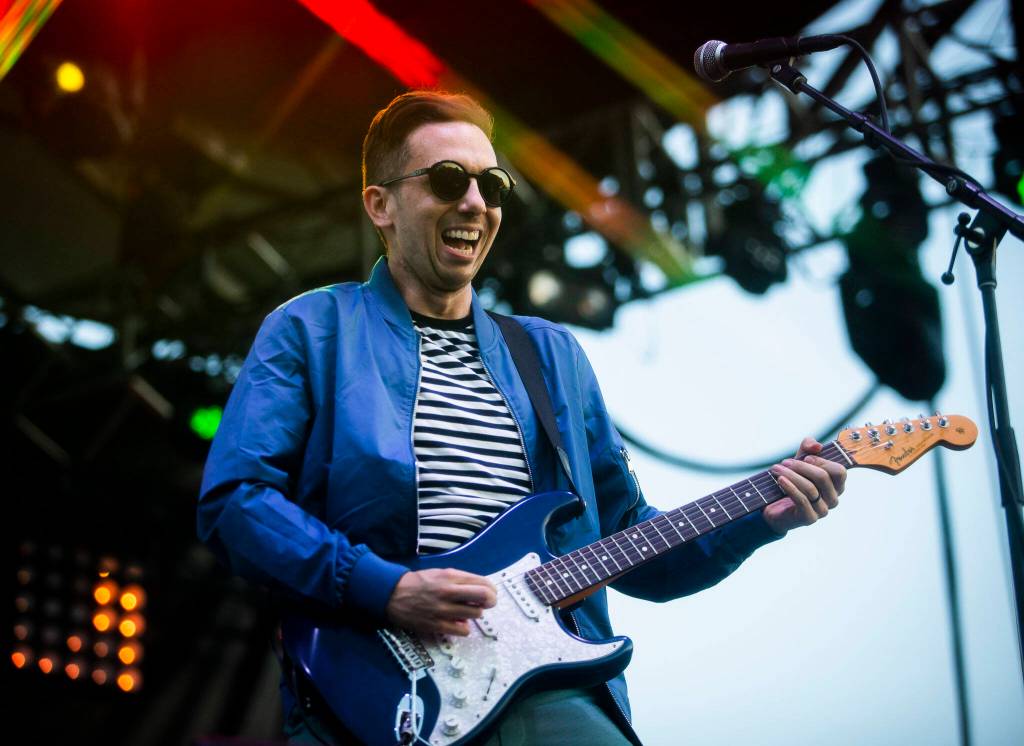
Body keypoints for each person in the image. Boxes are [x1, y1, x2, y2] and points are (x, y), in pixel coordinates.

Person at [197, 90, 846, 745]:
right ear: (380, 205)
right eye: (447, 180)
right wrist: (385, 588)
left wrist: (760, 520)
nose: (474, 202)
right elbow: (236, 501)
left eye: (492, 185)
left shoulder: (551, 355)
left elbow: (629, 539)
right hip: (377, 693)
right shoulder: (313, 328)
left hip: (553, 694)